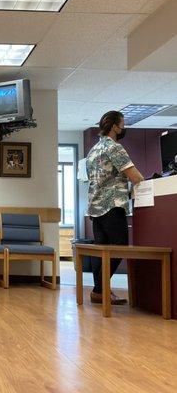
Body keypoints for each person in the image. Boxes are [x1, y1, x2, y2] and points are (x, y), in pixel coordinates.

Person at [86, 111, 144, 305]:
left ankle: (99, 292)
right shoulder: (114, 147)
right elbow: (135, 176)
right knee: (118, 247)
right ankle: (99, 290)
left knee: (101, 249)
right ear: (114, 127)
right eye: (123, 124)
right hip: (112, 205)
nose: (124, 128)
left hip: (95, 207)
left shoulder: (93, 150)